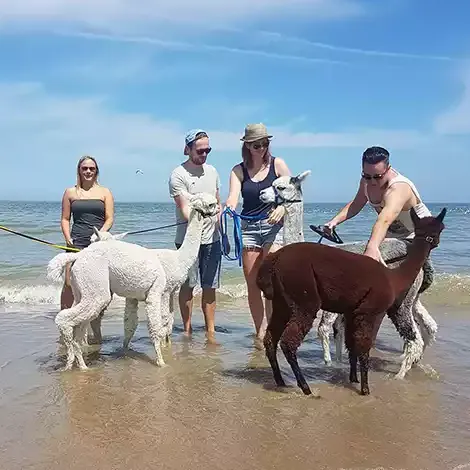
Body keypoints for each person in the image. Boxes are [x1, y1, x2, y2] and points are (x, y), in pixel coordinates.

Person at [225, 123, 291, 344]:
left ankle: (273, 329)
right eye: (256, 145)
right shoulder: (238, 170)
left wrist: (282, 207)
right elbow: (233, 197)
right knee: (252, 282)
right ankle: (260, 331)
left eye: (264, 143)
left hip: (274, 227)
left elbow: (293, 193)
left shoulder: (278, 165)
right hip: (249, 228)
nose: (261, 148)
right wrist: (229, 207)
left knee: (271, 280)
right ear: (247, 146)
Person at [324, 146, 431, 264]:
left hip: (417, 236)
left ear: (388, 169)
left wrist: (372, 247)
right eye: (367, 176)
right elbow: (356, 204)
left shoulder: (399, 187)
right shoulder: (366, 181)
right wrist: (334, 222)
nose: (372, 182)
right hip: (390, 236)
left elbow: (385, 219)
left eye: (378, 177)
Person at [168, 129, 222, 342]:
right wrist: (206, 212)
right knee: (187, 286)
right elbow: (185, 210)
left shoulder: (213, 171)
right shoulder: (178, 175)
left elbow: (219, 201)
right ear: (188, 149)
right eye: (200, 150)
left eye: (208, 150)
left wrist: (220, 216)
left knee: (210, 286)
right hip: (187, 241)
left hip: (213, 239)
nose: (204, 154)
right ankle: (187, 330)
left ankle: (210, 332)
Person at [60, 155, 114, 339]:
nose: (88, 171)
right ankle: (65, 324)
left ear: (96, 171)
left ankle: (94, 325)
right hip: (76, 242)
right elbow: (65, 219)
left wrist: (99, 235)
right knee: (69, 283)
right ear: (79, 171)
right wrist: (68, 239)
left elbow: (110, 219)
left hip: (98, 244)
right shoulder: (70, 192)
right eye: (85, 168)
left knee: (98, 287)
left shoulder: (105, 192)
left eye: (91, 168)